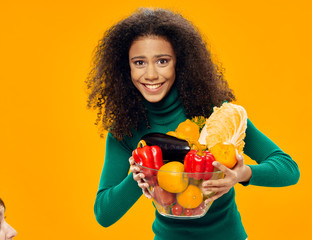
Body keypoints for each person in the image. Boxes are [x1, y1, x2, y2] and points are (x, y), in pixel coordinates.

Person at [86, 8, 300, 240]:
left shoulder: (216, 114)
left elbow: (289, 169)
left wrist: (241, 174)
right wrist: (139, 177)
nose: (150, 74)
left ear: (180, 63)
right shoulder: (125, 129)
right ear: (125, 68)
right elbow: (104, 214)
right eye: (139, 62)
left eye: (162, 61)